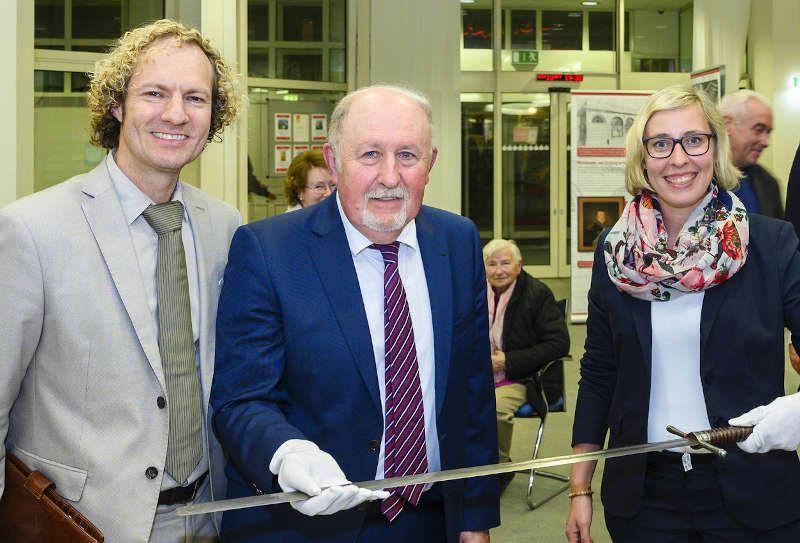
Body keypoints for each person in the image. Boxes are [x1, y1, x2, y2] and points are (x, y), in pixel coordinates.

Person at [211, 84, 500, 542]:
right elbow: (239, 400)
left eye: (408, 155)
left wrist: (475, 518)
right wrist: (286, 454)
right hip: (306, 526)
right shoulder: (269, 250)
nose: (390, 176)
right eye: (369, 154)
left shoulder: (457, 240)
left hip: (430, 519)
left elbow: (473, 391)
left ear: (431, 162)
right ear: (332, 160)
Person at [0, 20, 241, 542]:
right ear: (116, 104)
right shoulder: (32, 229)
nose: (176, 114)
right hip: (84, 525)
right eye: (155, 93)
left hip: (208, 515)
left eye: (196, 98)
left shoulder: (226, 226)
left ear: (213, 116)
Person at [565, 84, 800, 543]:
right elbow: (598, 373)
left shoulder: (770, 245)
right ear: (642, 158)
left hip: (753, 493)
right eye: (661, 144)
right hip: (645, 499)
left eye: (694, 140)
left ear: (715, 148)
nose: (678, 159)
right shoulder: (616, 253)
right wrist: (579, 488)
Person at [483, 239, 569, 492]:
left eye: (505, 263)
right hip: (477, 374)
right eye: (492, 264)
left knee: (493, 410)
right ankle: (468, 470)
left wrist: (507, 360)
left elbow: (558, 343)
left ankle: (498, 469)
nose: (499, 270)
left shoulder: (537, 294)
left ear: (519, 266)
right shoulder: (475, 293)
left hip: (522, 378)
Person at [720, 89, 783, 219]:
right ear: (727, 125)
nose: (766, 142)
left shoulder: (768, 183)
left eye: (768, 132)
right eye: (758, 130)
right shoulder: (699, 181)